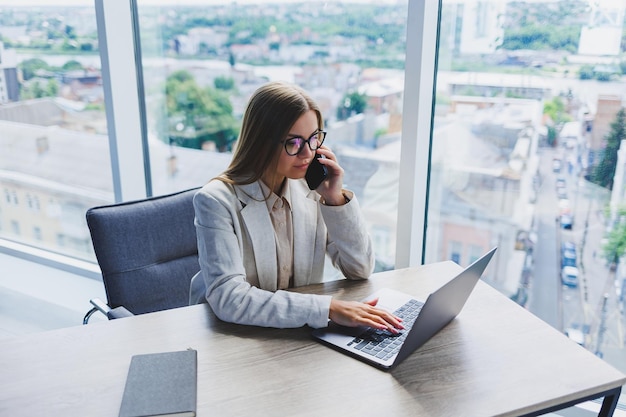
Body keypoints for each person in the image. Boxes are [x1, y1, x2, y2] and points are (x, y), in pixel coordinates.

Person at [189, 81, 403, 333]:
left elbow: (360, 269)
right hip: (232, 335)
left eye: (313, 139)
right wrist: (329, 309)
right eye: (293, 143)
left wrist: (335, 199)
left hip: (296, 333)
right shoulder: (216, 201)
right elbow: (230, 298)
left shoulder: (312, 188)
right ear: (261, 143)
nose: (307, 154)